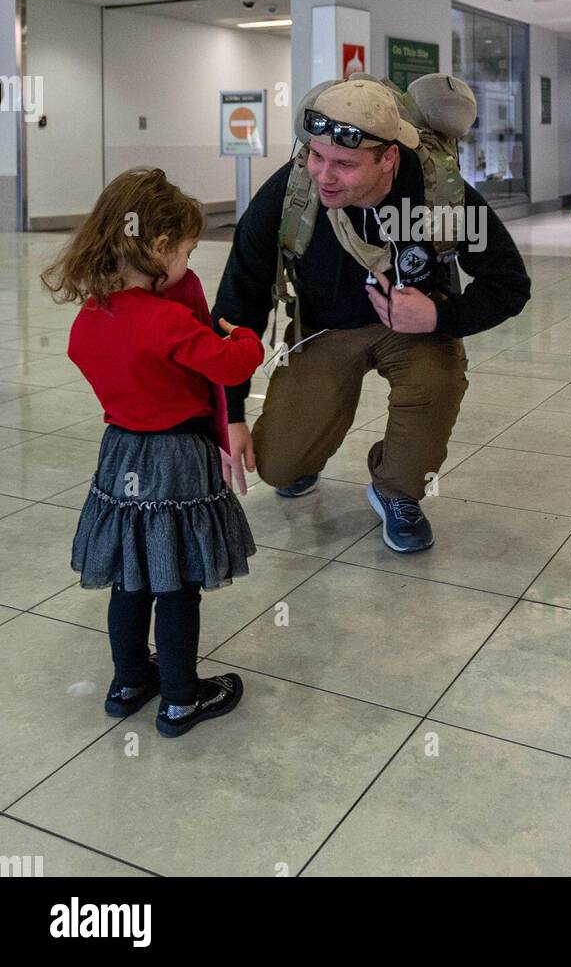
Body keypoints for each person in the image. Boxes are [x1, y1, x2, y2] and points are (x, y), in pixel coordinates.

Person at [213, 77, 531, 553]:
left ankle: (395, 490)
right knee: (278, 466)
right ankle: (307, 453)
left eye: (344, 164)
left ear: (388, 158)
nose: (324, 175)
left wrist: (439, 320)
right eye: (317, 156)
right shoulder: (292, 192)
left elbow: (510, 285)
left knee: (435, 383)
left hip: (414, 332)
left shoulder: (439, 194)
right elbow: (238, 304)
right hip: (325, 328)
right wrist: (229, 412)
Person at [41, 168, 265, 738]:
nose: (189, 264)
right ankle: (181, 700)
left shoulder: (89, 320)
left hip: (120, 455)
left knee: (130, 577)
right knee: (178, 583)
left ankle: (129, 682)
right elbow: (234, 364)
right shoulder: (168, 321)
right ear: (159, 247)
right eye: (187, 252)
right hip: (176, 458)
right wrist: (240, 334)